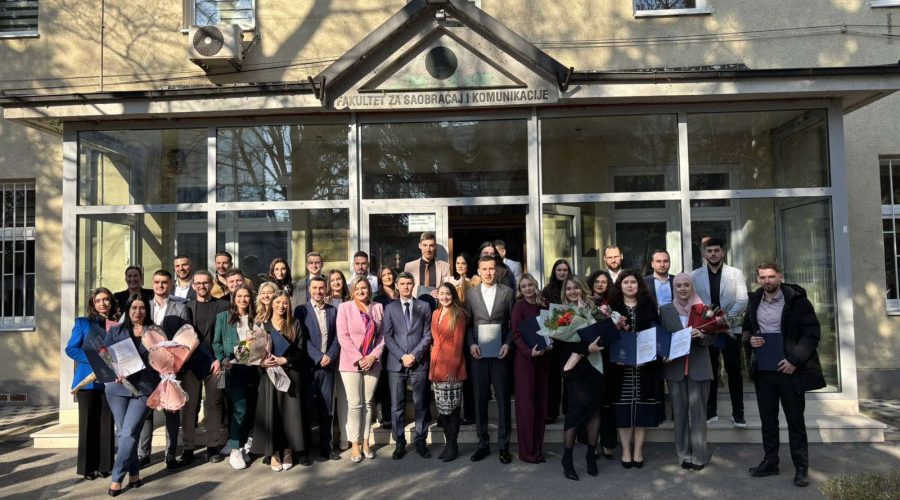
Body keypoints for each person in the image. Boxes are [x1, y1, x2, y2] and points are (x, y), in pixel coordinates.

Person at [745, 262, 825, 488]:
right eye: (762, 277)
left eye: (771, 276)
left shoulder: (797, 300)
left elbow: (812, 333)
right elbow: (747, 329)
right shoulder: (754, 300)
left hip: (790, 370)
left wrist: (794, 361)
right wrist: (749, 339)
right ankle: (771, 462)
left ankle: (801, 468)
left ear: (780, 276)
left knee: (795, 421)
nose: (767, 281)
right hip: (764, 371)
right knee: (768, 420)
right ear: (758, 279)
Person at [658, 273, 716, 471]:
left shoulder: (703, 309)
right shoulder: (665, 310)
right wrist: (663, 354)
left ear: (692, 287)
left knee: (698, 415)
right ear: (674, 288)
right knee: (680, 415)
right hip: (675, 368)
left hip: (699, 367)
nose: (682, 289)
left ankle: (699, 456)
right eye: (679, 285)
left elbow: (714, 338)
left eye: (686, 285)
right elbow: (661, 338)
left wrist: (703, 335)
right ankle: (683, 454)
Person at [690, 237, 749, 427]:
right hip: (708, 329)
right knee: (711, 370)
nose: (713, 254)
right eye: (709, 251)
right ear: (704, 254)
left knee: (734, 370)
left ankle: (738, 413)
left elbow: (742, 300)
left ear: (723, 253)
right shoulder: (694, 275)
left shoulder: (736, 273)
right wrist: (706, 317)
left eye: (716, 250)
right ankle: (710, 411)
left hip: (731, 327)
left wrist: (724, 318)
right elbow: (693, 300)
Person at [608, 270, 663, 468]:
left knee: (642, 408)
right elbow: (608, 336)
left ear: (639, 285)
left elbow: (656, 333)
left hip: (645, 366)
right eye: (626, 282)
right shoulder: (613, 307)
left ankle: (638, 450)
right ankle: (625, 450)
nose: (630, 285)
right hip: (620, 367)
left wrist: (649, 355)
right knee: (623, 408)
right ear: (620, 286)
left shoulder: (648, 305)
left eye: (633, 282)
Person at [104, 295, 157, 496]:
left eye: (142, 308)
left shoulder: (155, 332)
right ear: (128, 310)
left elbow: (164, 360)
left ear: (147, 310)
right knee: (125, 434)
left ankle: (116, 478)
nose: (138, 311)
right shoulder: (116, 330)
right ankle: (134, 474)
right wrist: (114, 371)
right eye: (134, 307)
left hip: (144, 389)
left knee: (128, 432)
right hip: (118, 388)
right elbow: (106, 358)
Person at [140, 270, 192, 470]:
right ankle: (144, 454)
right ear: (152, 284)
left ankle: (170, 454)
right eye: (157, 282)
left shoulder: (181, 308)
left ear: (171, 285)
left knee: (171, 410)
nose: (160, 285)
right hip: (147, 368)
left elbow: (185, 336)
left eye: (164, 282)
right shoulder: (144, 306)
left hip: (170, 369)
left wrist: (175, 365)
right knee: (146, 411)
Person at [251, 292, 310, 470]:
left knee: (290, 414)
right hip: (269, 375)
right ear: (271, 304)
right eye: (277, 302)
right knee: (273, 413)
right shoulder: (262, 324)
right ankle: (275, 452)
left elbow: (301, 349)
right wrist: (262, 363)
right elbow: (252, 352)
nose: (281, 306)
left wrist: (285, 360)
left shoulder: (294, 323)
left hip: (291, 374)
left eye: (285, 303)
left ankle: (288, 450)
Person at [466, 255, 516, 464]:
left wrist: (508, 344)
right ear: (478, 271)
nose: (488, 272)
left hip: (500, 354)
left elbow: (513, 323)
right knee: (479, 400)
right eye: (484, 269)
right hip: (478, 355)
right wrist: (471, 344)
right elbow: (468, 324)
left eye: (491, 268)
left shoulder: (508, 293)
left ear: (497, 270)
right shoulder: (470, 294)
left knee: (503, 400)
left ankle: (504, 446)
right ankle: (483, 444)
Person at [66, 287, 118, 481]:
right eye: (98, 300)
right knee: (88, 425)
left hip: (109, 380)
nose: (102, 303)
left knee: (106, 424)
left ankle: (105, 466)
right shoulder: (83, 323)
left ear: (111, 302)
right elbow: (71, 349)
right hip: (87, 381)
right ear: (93, 304)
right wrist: (93, 358)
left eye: (106, 299)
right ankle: (88, 468)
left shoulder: (116, 325)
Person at [557, 276, 605, 480]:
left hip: (595, 366)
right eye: (569, 288)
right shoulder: (561, 313)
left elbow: (605, 332)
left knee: (595, 411)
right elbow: (562, 344)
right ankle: (567, 458)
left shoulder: (594, 309)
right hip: (575, 368)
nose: (573, 291)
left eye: (576, 287)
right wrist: (586, 348)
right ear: (564, 291)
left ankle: (590, 456)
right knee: (574, 413)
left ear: (582, 289)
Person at [181, 270, 230, 465]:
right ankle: (187, 448)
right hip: (190, 364)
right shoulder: (186, 307)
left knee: (214, 404)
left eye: (205, 282)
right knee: (189, 406)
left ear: (211, 284)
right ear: (193, 286)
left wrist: (220, 358)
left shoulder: (223, 306)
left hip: (214, 364)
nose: (202, 286)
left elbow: (226, 334)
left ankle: (212, 447)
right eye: (198, 283)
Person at [383, 272, 433, 459]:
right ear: (397, 285)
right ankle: (400, 443)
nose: (406, 286)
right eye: (402, 283)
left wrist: (413, 355)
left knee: (421, 404)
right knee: (397, 406)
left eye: (409, 283)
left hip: (418, 362)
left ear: (413, 285)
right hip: (396, 363)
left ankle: (420, 442)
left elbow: (427, 335)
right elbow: (387, 336)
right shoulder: (390, 308)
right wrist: (403, 356)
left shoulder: (424, 306)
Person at [336, 276, 385, 463]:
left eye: (364, 288)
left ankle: (366, 443)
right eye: (357, 289)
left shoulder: (378, 307)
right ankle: (355, 444)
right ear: (352, 291)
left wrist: (373, 356)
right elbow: (343, 336)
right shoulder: (345, 308)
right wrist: (359, 358)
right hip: (351, 363)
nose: (361, 291)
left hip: (373, 362)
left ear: (369, 290)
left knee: (368, 403)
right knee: (355, 404)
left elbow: (382, 335)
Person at [213, 285, 261, 470]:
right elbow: (217, 343)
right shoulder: (223, 317)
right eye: (239, 296)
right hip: (234, 368)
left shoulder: (256, 318)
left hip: (254, 369)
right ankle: (234, 448)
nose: (243, 299)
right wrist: (222, 359)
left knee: (250, 410)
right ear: (234, 298)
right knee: (240, 409)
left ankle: (241, 446)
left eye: (246, 296)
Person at [295, 276, 341, 461]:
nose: (318, 291)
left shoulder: (333, 310)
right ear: (309, 289)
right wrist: (318, 357)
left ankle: (326, 448)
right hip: (309, 367)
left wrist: (330, 355)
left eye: (321, 288)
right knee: (306, 409)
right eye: (314, 288)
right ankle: (304, 450)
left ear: (326, 289)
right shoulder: (301, 310)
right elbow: (302, 338)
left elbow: (338, 337)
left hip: (327, 367)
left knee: (326, 409)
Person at [510, 274, 549, 464]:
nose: (527, 288)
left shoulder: (544, 305)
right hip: (525, 361)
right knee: (526, 407)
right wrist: (528, 352)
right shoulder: (518, 307)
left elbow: (551, 329)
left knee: (540, 406)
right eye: (523, 286)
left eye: (530, 285)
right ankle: (527, 452)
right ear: (520, 289)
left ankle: (538, 450)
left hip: (543, 361)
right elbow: (516, 334)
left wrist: (549, 344)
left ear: (535, 285)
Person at [429, 283, 468, 462]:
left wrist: (453, 370)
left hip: (452, 368)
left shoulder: (458, 314)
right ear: (438, 295)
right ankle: (447, 444)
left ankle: (453, 445)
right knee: (442, 410)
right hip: (437, 366)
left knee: (452, 410)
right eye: (442, 294)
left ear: (453, 296)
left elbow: (459, 345)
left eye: (448, 294)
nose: (445, 297)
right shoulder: (435, 313)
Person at [586, 269, 617, 460]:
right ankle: (593, 441)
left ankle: (608, 443)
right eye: (597, 281)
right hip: (591, 356)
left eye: (604, 282)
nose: (600, 285)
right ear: (591, 283)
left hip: (609, 356)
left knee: (607, 402)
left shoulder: (613, 303)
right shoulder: (585, 303)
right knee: (593, 402)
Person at [541, 258, 570, 423]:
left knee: (569, 376)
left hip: (570, 339)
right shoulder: (547, 290)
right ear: (554, 272)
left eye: (565, 270)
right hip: (553, 340)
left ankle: (568, 411)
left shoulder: (573, 288)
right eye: (559, 270)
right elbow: (543, 314)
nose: (562, 273)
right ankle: (551, 412)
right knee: (552, 378)